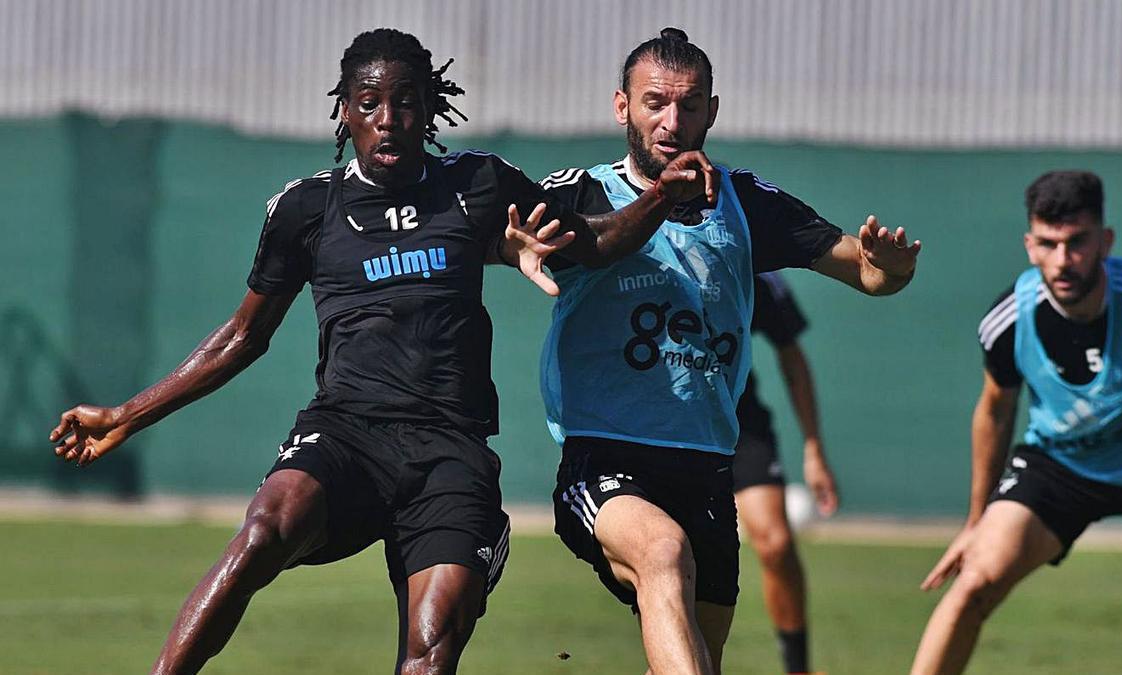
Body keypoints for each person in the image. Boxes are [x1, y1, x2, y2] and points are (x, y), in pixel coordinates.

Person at [47, 28, 716, 675]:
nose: (389, 118)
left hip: (449, 454)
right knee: (260, 534)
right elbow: (242, 336)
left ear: (429, 111)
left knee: (429, 647)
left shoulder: (480, 184)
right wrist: (125, 415)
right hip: (344, 436)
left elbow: (594, 241)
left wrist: (660, 195)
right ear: (346, 112)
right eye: (370, 103)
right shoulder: (305, 209)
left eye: (406, 101)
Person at [535, 28, 920, 675]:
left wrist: (893, 267)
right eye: (655, 101)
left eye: (689, 105)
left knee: (695, 660)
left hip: (709, 468)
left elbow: (868, 273)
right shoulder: (584, 192)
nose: (672, 120)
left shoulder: (746, 203)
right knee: (662, 552)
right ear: (621, 106)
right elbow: (542, 244)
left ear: (712, 111)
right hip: (605, 458)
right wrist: (661, 199)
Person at [911, 170, 1122, 675]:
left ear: (1104, 241)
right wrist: (976, 520)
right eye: (1048, 244)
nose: (1063, 260)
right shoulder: (1009, 321)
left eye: (1076, 243)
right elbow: (996, 410)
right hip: (1061, 467)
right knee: (974, 581)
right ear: (1029, 246)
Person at [733, 272, 838, 675]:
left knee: (775, 543)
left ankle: (798, 669)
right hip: (666, 423)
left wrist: (813, 448)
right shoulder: (644, 248)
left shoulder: (751, 265)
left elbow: (791, 355)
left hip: (740, 424)